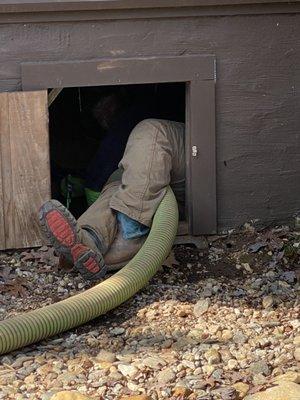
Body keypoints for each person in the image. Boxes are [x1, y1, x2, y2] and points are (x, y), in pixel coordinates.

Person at [39, 118, 185, 281]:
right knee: (122, 181)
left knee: (153, 132)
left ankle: (130, 231)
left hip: (200, 161)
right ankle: (90, 237)